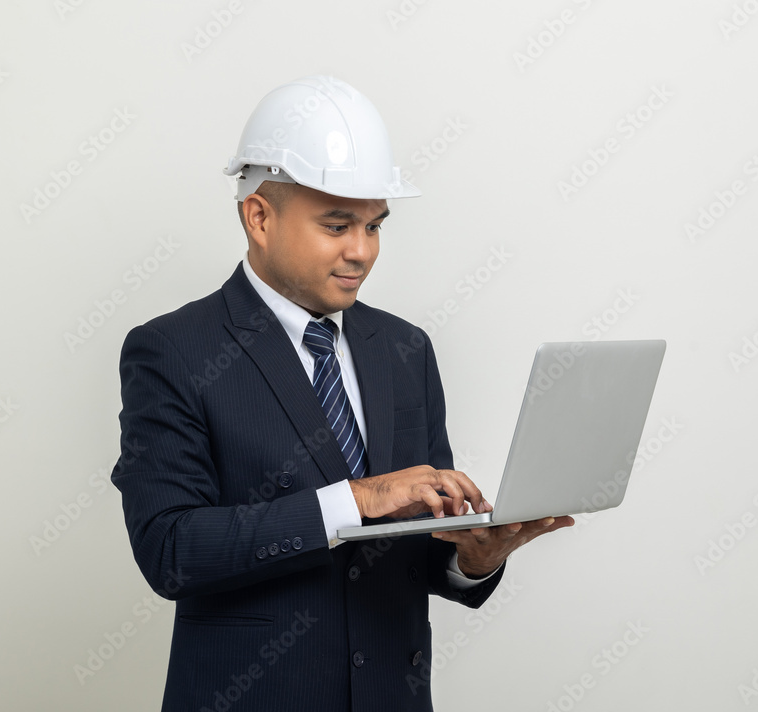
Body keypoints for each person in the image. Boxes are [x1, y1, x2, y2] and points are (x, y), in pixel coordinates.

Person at [111, 76, 573, 712]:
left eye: (375, 226)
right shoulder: (175, 351)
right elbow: (171, 551)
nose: (362, 252)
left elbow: (420, 549)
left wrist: (473, 556)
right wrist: (357, 499)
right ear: (259, 217)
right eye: (337, 225)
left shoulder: (405, 349)